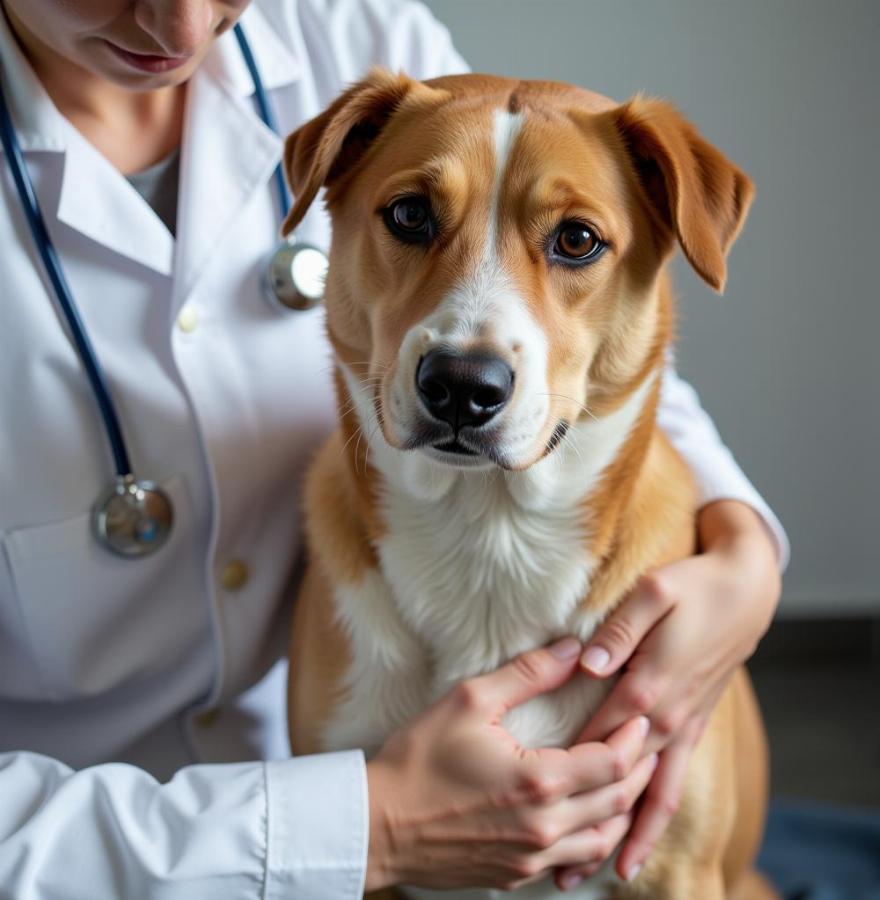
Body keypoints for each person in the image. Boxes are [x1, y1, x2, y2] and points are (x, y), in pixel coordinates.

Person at [0, 0, 788, 895]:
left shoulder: (350, 32)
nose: (180, 27)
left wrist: (746, 552)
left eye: (572, 241)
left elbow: (627, 356)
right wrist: (361, 832)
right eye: (414, 217)